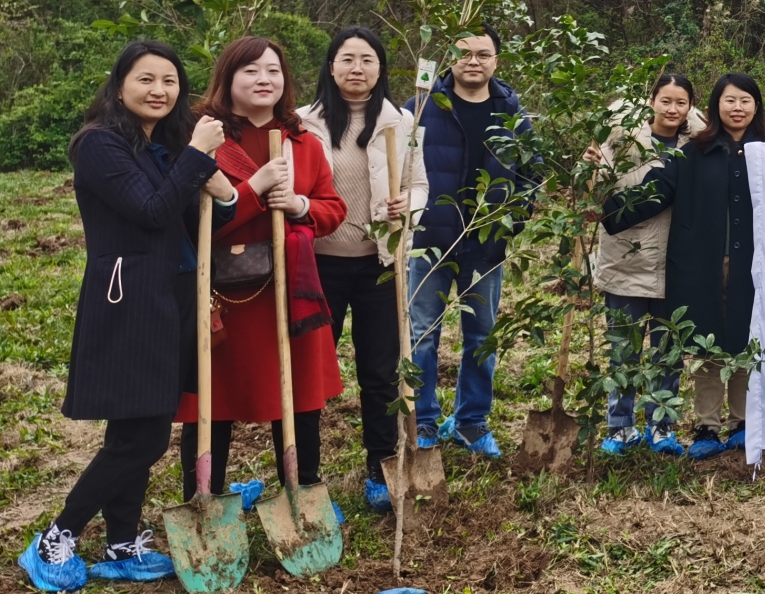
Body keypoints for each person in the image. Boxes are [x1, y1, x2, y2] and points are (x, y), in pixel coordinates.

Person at [19, 42, 238, 591]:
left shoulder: (152, 147)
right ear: (120, 86)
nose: (159, 90)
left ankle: (122, 542)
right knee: (141, 439)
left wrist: (215, 179)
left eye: (170, 81)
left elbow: (189, 211)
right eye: (146, 79)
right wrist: (197, 153)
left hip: (171, 296)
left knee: (138, 424)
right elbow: (149, 210)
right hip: (129, 299)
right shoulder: (98, 145)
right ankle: (57, 535)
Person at [177, 37, 348, 508]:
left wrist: (298, 205)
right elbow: (191, 219)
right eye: (251, 71)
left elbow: (333, 208)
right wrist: (255, 190)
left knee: (299, 394)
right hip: (225, 295)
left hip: (290, 291)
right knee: (213, 400)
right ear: (228, 78)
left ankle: (303, 489)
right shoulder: (203, 138)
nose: (263, 80)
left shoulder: (303, 142)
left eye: (273, 71)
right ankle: (203, 497)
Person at [603, 74, 763, 460]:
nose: (737, 108)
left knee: (745, 340)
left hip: (754, 267)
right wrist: (612, 213)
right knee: (702, 341)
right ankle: (703, 425)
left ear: (757, 106)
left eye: (745, 100)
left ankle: (744, 424)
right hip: (700, 266)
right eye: (729, 100)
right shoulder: (694, 152)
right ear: (712, 106)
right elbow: (659, 188)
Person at [299, 28, 426, 511]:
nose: (357, 68)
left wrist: (406, 205)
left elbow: (420, 185)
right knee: (310, 373)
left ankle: (380, 469)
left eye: (367, 60)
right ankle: (307, 479)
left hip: (380, 265)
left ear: (380, 68)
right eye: (347, 59)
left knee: (379, 373)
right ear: (330, 66)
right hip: (317, 266)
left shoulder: (401, 123)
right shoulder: (301, 124)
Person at [407, 27, 533, 458]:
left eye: (483, 53)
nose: (473, 61)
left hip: (486, 246)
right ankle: (422, 420)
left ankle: (471, 422)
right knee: (422, 334)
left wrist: (512, 222)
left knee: (481, 336)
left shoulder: (511, 110)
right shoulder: (424, 106)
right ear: (450, 59)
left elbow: (531, 171)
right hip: (431, 242)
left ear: (496, 60)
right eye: (464, 53)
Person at [592, 73, 702, 456]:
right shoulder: (621, 138)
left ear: (691, 106)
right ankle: (619, 428)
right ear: (651, 100)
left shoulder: (699, 144)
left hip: (677, 262)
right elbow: (596, 194)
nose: (672, 109)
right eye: (665, 100)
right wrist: (590, 168)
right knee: (623, 349)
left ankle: (662, 426)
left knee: (668, 350)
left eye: (681, 102)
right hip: (628, 258)